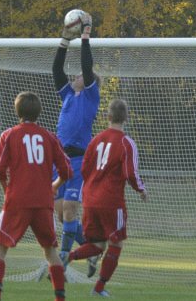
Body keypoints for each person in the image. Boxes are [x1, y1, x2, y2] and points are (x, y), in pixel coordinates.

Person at [0, 92, 73, 301]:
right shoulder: (49, 137)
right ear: (39, 112)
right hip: (43, 202)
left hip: (17, 200)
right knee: (50, 250)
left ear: (16, 111)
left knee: (0, 247)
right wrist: (54, 186)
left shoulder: (8, 135)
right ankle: (60, 298)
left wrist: (6, 192)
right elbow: (67, 171)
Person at [61, 99, 148, 297]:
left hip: (90, 200)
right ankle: (98, 289)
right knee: (115, 244)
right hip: (111, 202)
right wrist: (141, 189)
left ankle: (68, 256)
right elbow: (130, 173)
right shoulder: (127, 143)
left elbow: (83, 169)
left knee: (98, 245)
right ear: (126, 117)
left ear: (107, 117)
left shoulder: (94, 141)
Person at [51, 11, 103, 278]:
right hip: (59, 161)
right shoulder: (69, 95)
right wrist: (64, 40)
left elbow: (86, 65)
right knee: (62, 216)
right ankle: (92, 250)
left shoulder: (91, 95)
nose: (76, 76)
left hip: (80, 161)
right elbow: (56, 70)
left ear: (88, 80)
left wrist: (85, 35)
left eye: (81, 75)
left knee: (70, 210)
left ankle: (62, 263)